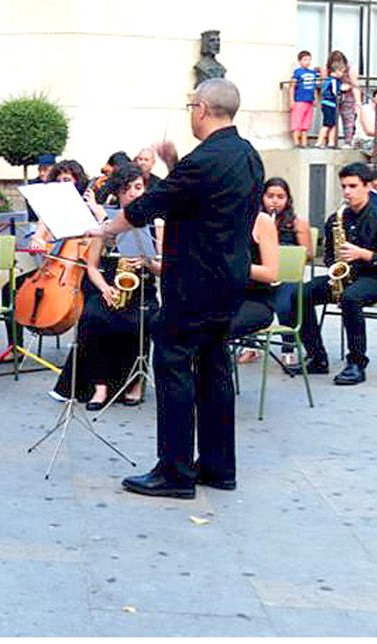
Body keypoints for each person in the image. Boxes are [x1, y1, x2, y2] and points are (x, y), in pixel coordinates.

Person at [88, 78, 264, 499]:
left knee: (172, 362)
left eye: (191, 106)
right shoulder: (248, 155)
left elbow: (149, 205)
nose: (190, 112)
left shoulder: (204, 160)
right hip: (228, 279)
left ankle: (175, 471)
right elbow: (203, 198)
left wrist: (105, 229)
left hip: (194, 281)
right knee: (215, 366)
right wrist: (173, 165)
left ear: (202, 108)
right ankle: (220, 467)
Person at [54, 163, 161, 409]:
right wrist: (104, 288)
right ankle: (100, 386)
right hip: (111, 286)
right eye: (127, 189)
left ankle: (136, 382)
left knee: (139, 320)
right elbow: (92, 266)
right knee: (93, 317)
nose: (134, 193)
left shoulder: (156, 223)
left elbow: (164, 267)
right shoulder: (108, 223)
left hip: (142, 289)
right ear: (119, 193)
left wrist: (148, 262)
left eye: (138, 187)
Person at [293, 163, 377, 386]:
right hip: (343, 277)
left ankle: (356, 362)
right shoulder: (336, 219)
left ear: (367, 186)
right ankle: (317, 356)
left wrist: (364, 254)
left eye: (353, 186)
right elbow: (330, 256)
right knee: (300, 294)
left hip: (374, 279)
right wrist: (336, 267)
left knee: (350, 297)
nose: (347, 192)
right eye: (344, 186)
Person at [261, 178, 315, 366]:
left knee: (285, 305)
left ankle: (288, 347)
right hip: (263, 276)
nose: (274, 201)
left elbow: (308, 254)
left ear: (288, 199)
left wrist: (285, 252)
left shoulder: (297, 222)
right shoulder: (256, 221)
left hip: (287, 276)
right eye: (270, 196)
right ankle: (251, 346)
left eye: (280, 197)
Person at [227, 210, 280, 363]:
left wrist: (233, 266)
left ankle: (215, 384)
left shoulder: (261, 221)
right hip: (221, 298)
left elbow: (271, 274)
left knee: (215, 331)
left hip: (256, 300)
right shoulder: (213, 218)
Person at [328, 50, 361, 147]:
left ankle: (348, 142)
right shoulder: (328, 68)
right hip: (332, 97)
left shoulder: (351, 69)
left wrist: (358, 101)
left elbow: (355, 85)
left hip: (348, 97)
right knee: (330, 120)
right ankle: (330, 141)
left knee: (348, 121)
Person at [289, 50, 318, 148]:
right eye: (305, 59)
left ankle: (304, 142)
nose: (307, 62)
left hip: (309, 100)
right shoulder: (297, 72)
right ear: (300, 61)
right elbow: (292, 86)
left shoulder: (313, 73)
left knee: (306, 123)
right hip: (299, 100)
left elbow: (314, 86)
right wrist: (291, 100)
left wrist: (315, 98)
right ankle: (296, 142)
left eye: (309, 59)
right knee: (297, 121)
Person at [316, 67, 342, 149]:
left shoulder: (330, 80)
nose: (342, 74)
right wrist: (341, 92)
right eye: (341, 71)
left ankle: (331, 142)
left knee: (333, 124)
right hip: (329, 103)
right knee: (327, 124)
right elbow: (335, 92)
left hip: (332, 104)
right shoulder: (333, 80)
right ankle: (319, 141)